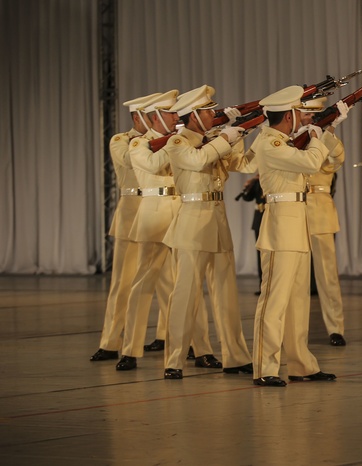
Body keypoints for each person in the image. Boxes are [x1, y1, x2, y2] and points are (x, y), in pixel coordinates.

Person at [250, 85, 350, 387]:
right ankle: (265, 367)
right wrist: (322, 134)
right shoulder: (270, 142)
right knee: (274, 301)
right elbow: (309, 162)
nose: (302, 118)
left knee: (297, 303)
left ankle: (301, 364)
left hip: (297, 222)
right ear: (289, 115)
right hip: (280, 225)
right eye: (299, 113)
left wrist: (326, 130)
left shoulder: (284, 140)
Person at [161, 85, 255, 379]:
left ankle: (236, 357)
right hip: (191, 222)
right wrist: (225, 136)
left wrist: (247, 132)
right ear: (192, 116)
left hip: (217, 220)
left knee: (226, 295)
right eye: (206, 111)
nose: (213, 114)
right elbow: (198, 161)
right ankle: (174, 360)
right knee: (185, 295)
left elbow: (244, 163)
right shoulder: (177, 142)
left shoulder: (212, 140)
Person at [117, 90, 214, 372]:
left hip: (183, 211)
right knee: (143, 284)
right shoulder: (139, 144)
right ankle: (130, 349)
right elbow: (158, 163)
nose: (176, 118)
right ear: (155, 116)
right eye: (170, 114)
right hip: (154, 213)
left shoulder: (181, 140)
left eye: (176, 113)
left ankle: (202, 348)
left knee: (189, 284)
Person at [90, 93, 159, 362]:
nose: (155, 120)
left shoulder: (161, 140)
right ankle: (110, 341)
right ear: (137, 117)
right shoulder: (121, 140)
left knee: (169, 280)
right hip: (132, 212)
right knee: (123, 280)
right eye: (151, 116)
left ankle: (169, 335)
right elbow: (133, 161)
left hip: (159, 209)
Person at [300, 96, 348, 347]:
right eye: (306, 114)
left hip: (319, 211)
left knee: (328, 276)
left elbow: (337, 159)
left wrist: (327, 130)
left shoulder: (325, 140)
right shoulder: (289, 139)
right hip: (293, 212)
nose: (309, 118)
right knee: (294, 278)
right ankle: (294, 330)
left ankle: (335, 328)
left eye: (314, 115)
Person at [236, 175, 265, 294]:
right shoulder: (257, 182)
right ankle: (261, 285)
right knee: (260, 255)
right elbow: (247, 198)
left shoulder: (271, 179)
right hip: (259, 219)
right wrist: (248, 187)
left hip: (270, 217)